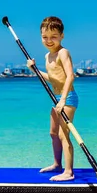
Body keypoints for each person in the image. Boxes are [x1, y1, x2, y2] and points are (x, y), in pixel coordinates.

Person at [27, 16, 78, 181]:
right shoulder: (47, 56)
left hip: (67, 97)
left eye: (53, 37)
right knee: (53, 133)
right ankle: (57, 164)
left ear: (61, 36)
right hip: (55, 98)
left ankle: (68, 172)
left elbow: (70, 76)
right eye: (45, 37)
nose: (49, 40)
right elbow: (52, 77)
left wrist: (63, 100)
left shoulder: (63, 52)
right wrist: (34, 69)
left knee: (64, 135)